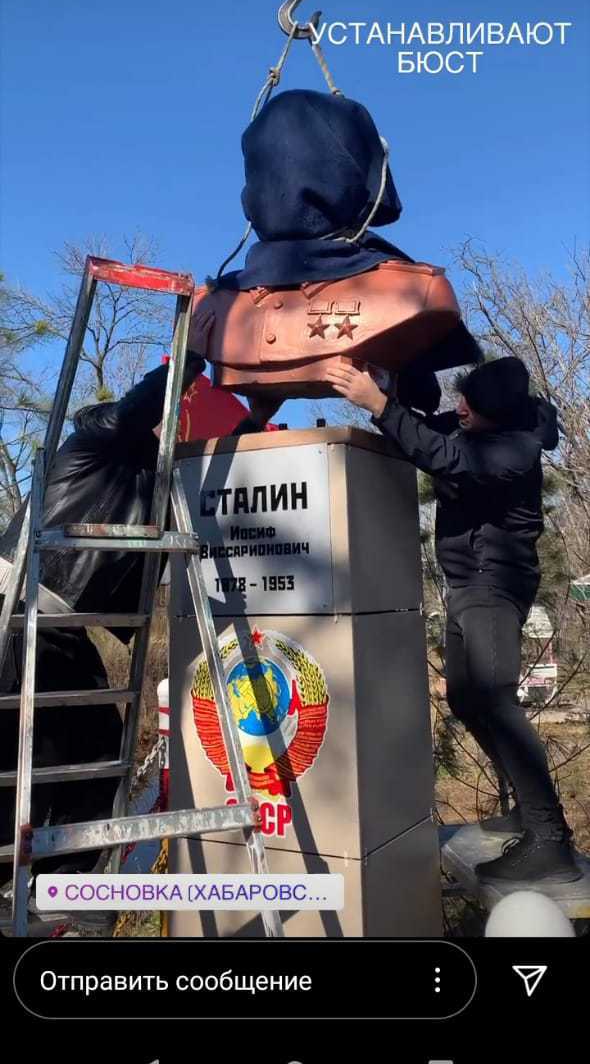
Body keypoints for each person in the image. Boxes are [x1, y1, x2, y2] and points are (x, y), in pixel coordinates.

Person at [0, 307, 278, 886]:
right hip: (16, 614)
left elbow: (212, 471)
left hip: (55, 626)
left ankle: (61, 881)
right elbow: (138, 408)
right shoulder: (93, 445)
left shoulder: (150, 478)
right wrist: (194, 349)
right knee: (27, 758)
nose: (170, 431)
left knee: (95, 753)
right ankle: (34, 878)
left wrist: (255, 419)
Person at [325, 354, 581, 886]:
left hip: (494, 584)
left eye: (471, 405)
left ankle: (549, 837)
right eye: (462, 397)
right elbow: (427, 432)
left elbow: (445, 456)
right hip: (468, 585)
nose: (459, 408)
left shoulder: (514, 450)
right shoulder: (485, 427)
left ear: (498, 414)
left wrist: (379, 406)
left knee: (497, 701)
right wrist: (392, 390)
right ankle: (527, 809)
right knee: (466, 698)